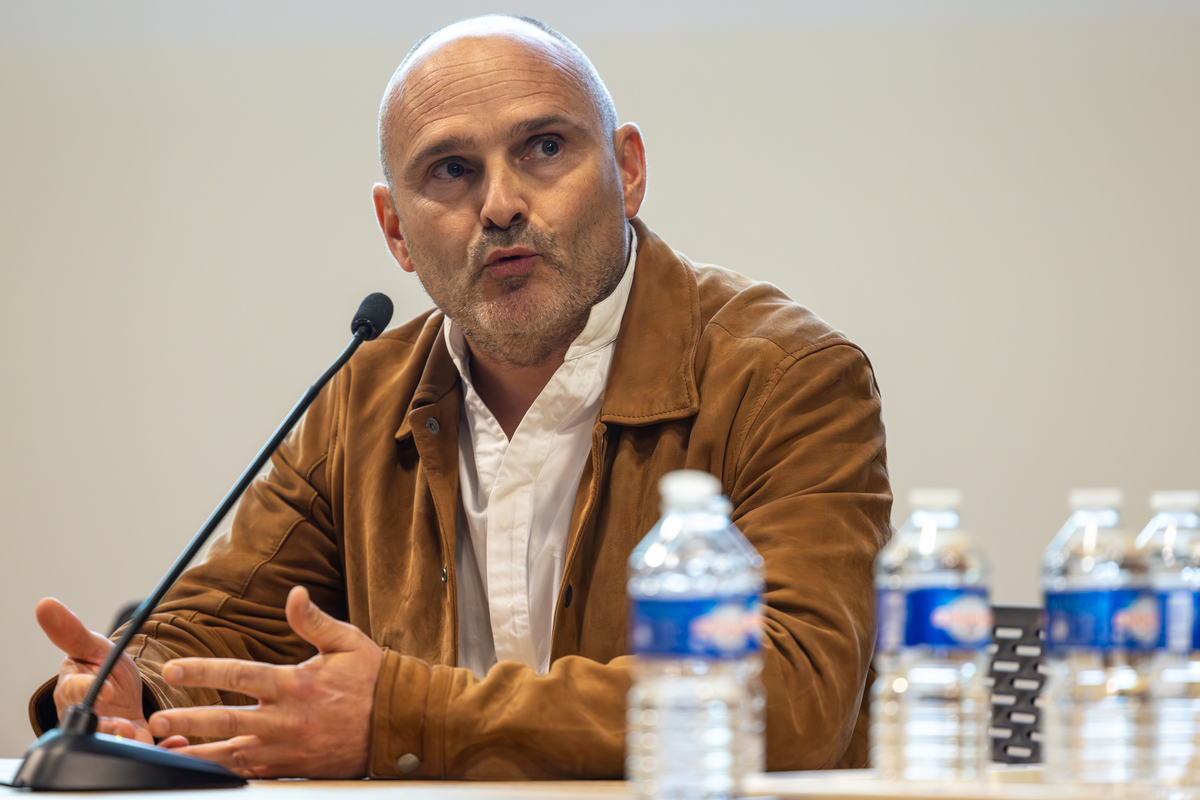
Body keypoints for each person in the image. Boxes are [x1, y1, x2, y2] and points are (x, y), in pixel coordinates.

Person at [30, 14, 891, 780]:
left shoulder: (788, 375)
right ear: (396, 231)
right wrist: (128, 689)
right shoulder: (359, 396)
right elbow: (226, 625)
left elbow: (793, 697)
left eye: (545, 148)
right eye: (450, 170)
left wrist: (405, 717)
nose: (503, 205)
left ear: (627, 171)